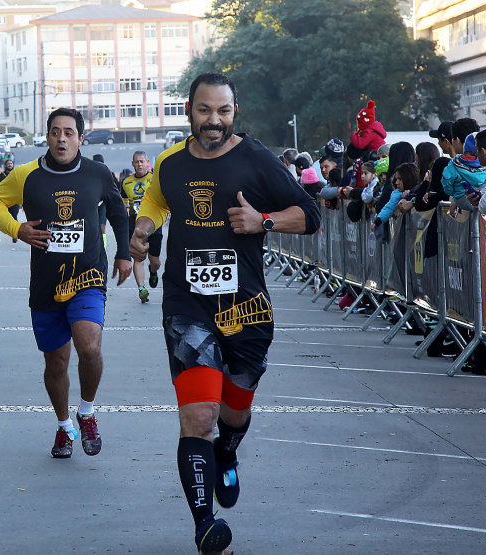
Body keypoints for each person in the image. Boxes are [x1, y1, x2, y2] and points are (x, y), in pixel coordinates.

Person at [129, 73, 320, 554]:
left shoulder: (255, 159)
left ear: (235, 111)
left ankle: (227, 454)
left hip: (247, 309)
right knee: (200, 414)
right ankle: (205, 526)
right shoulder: (170, 162)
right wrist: (144, 226)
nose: (214, 120)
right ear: (188, 109)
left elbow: (310, 214)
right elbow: (156, 197)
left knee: (234, 414)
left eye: (224, 111)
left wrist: (264, 221)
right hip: (187, 305)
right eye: (204, 110)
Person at [0, 107, 132, 459]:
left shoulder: (97, 173)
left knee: (90, 347)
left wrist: (124, 253)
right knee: (55, 364)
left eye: (69, 132)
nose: (61, 138)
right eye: (55, 132)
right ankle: (65, 426)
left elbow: (117, 210)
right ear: (47, 136)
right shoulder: (26, 175)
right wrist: (17, 229)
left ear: (81, 138)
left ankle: (86, 411)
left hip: (88, 276)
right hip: (47, 284)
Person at [121, 150, 161, 302]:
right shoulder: (126, 182)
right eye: (136, 162)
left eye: (142, 162)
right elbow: (124, 205)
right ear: (132, 164)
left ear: (147, 163)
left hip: (153, 224)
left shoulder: (155, 179)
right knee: (138, 258)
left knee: (155, 261)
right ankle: (141, 289)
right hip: (134, 224)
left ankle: (153, 271)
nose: (139, 164)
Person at [441, 133, 486, 210]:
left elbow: (447, 180)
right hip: (482, 198)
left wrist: (452, 193)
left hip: (461, 198)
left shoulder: (454, 163)